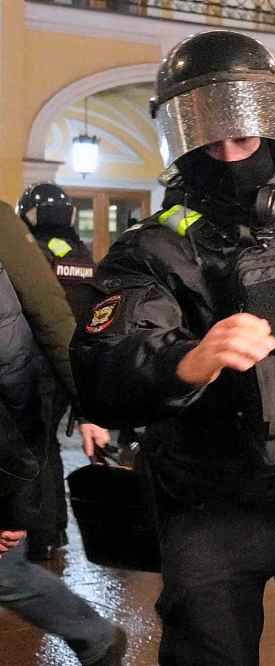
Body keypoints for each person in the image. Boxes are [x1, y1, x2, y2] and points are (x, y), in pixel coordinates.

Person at [70, 31, 275, 665]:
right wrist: (187, 360)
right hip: (208, 508)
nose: (228, 155)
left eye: (242, 137)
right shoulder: (151, 248)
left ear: (272, 129)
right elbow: (104, 363)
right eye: (207, 142)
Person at [1, 259, 127, 666]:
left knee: (7, 571)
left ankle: (95, 636)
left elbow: (16, 374)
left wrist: (8, 504)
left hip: (27, 414)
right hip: (33, 405)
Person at [15, 183, 104, 561]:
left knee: (32, 449)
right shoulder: (81, 255)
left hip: (36, 365)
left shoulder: (31, 255)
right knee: (47, 445)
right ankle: (53, 531)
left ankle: (37, 534)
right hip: (73, 367)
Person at [0, 202, 110, 459]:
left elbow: (52, 316)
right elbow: (55, 318)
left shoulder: (29, 243)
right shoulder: (81, 252)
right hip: (49, 371)